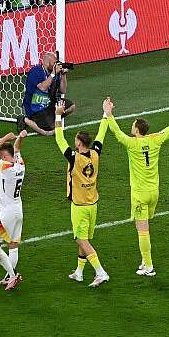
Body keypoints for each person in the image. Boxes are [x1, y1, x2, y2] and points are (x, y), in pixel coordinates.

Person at [101, 98, 169, 277]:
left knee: (143, 231)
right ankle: (144, 260)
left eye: (133, 126)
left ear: (137, 130)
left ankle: (149, 266)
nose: (131, 127)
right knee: (140, 227)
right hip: (154, 192)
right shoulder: (155, 140)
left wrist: (108, 114)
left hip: (140, 194)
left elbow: (116, 132)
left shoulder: (132, 144)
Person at [55, 102, 110, 287]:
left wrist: (58, 115)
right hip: (93, 203)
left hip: (79, 206)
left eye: (76, 139)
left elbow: (58, 138)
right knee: (84, 239)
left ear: (79, 143)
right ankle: (79, 272)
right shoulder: (96, 153)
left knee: (81, 239)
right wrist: (105, 113)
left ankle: (100, 272)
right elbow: (102, 133)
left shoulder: (74, 157)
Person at [0, 130, 27, 290]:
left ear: (4, 156)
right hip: (18, 210)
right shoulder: (20, 164)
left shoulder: (6, 167)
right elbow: (16, 149)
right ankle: (9, 277)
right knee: (13, 245)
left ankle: (12, 275)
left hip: (7, 213)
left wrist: (6, 137)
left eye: (2, 155)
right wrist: (19, 138)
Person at [20, 52, 74, 136]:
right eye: (54, 63)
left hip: (49, 103)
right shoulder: (36, 71)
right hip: (35, 106)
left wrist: (63, 75)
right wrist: (53, 74)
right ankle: (25, 120)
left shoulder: (55, 73)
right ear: (46, 63)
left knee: (71, 106)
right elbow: (42, 88)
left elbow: (62, 90)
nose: (55, 65)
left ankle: (52, 119)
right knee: (51, 131)